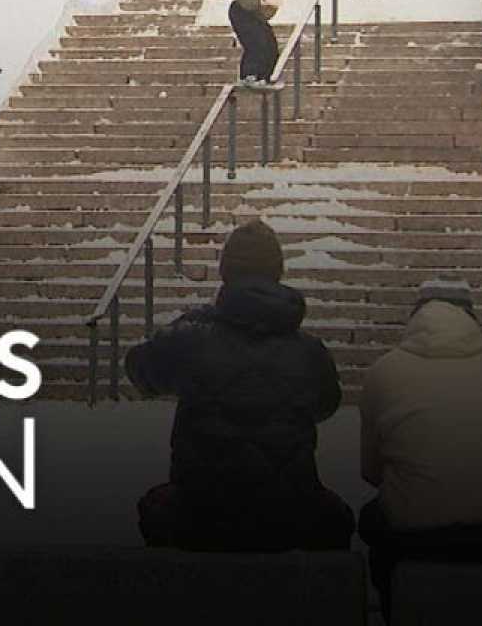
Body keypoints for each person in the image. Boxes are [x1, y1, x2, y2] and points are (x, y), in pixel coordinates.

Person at [129, 220, 352, 551]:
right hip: (289, 511)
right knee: (337, 517)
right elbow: (326, 404)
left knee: (156, 508)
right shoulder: (308, 351)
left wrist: (188, 327)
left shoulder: (192, 338)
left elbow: (139, 370)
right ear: (278, 271)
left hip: (202, 511)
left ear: (225, 272)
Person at [360, 279, 482, 613]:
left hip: (418, 534)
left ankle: (399, 609)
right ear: (472, 320)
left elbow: (372, 472)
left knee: (372, 520)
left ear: (414, 317)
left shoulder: (384, 371)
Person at [231, 0, 293, 87]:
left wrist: (268, 9)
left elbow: (271, 10)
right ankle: (249, 75)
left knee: (271, 44)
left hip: (257, 15)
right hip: (241, 11)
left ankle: (267, 75)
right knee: (255, 41)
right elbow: (247, 0)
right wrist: (264, 0)